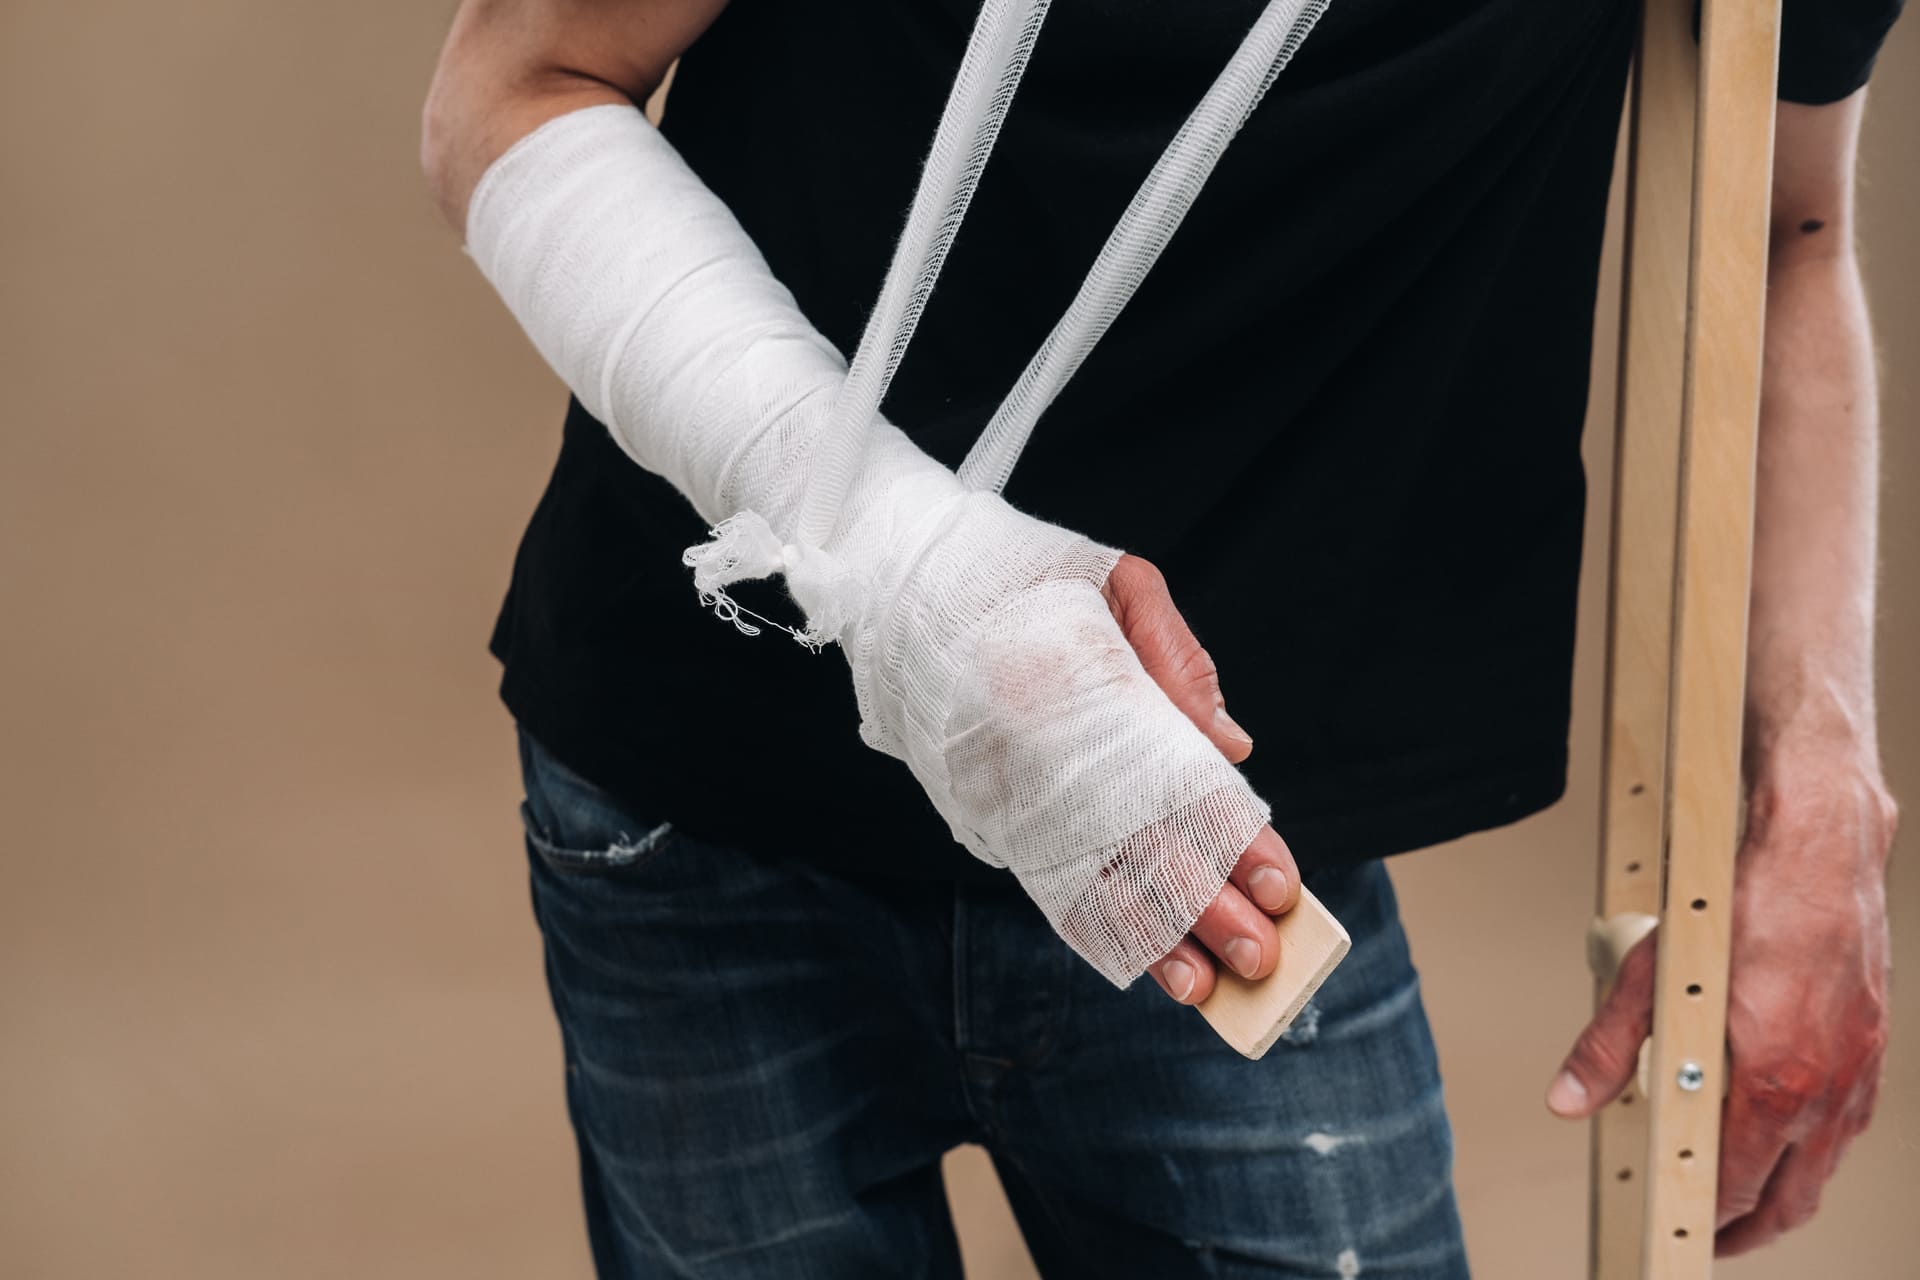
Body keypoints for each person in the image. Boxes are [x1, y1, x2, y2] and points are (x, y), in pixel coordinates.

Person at [422, 1, 1903, 1274]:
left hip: (1210, 845)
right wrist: (917, 570)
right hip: (707, 791)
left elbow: (1782, 234)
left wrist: (1820, 800)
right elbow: (514, 91)